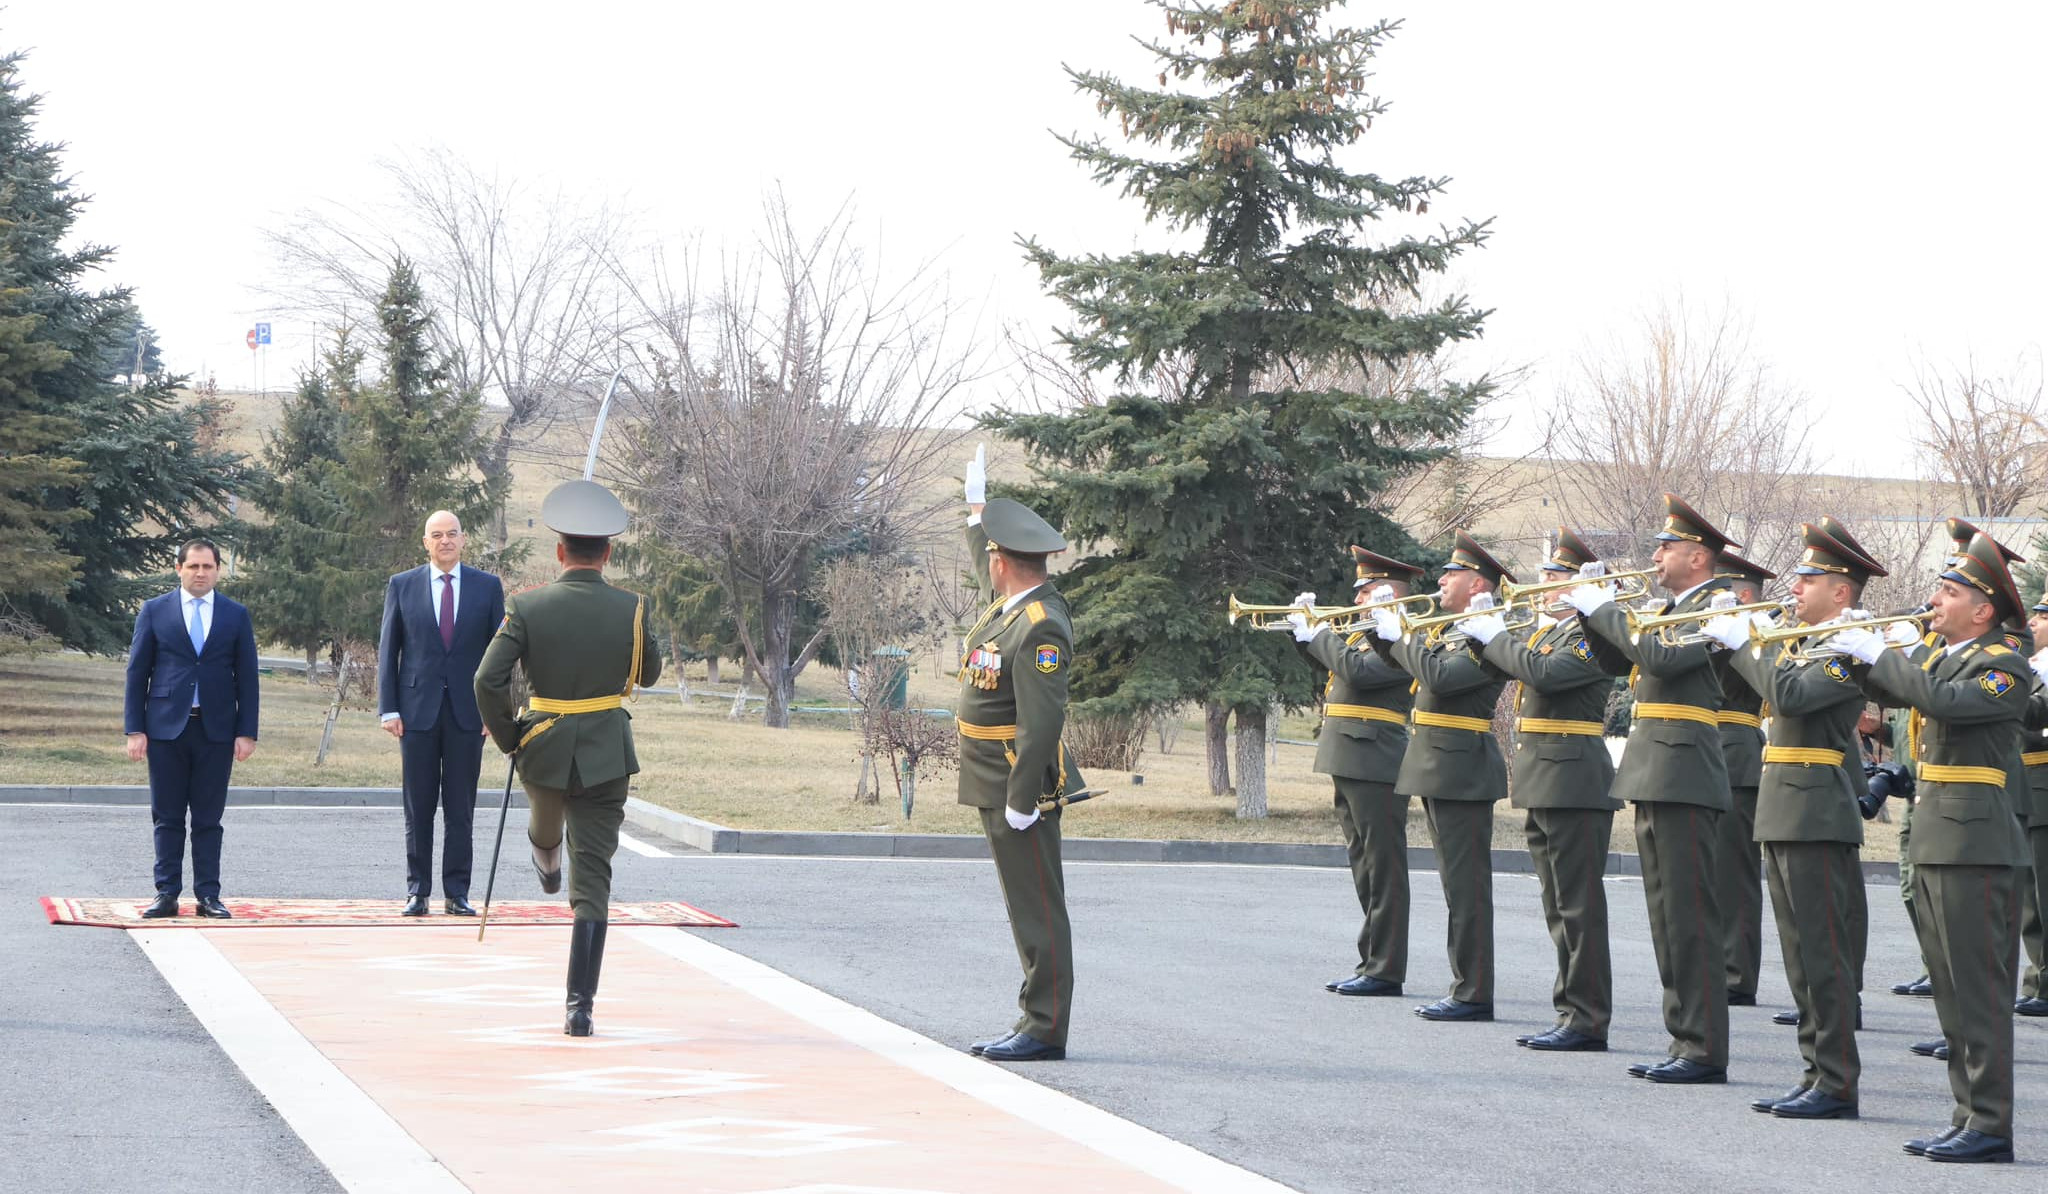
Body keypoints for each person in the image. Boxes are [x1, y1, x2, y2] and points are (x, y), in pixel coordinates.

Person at [1835, 533, 2029, 1163]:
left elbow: (1943, 702)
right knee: (1949, 984)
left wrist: (1878, 654)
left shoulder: (2003, 664)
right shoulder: (1946, 655)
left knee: (1979, 987)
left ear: (1983, 609)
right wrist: (1861, 652)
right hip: (1942, 831)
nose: (1934, 601)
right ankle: (1966, 1113)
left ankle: (1991, 1124)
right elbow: (1901, 692)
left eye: (1949, 592)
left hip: (1976, 838)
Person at [1707, 522, 1882, 1121]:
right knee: (1800, 957)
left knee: (1823, 953)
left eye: (1809, 580)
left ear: (1841, 591)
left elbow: (1791, 699)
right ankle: (1815, 1072)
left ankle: (1835, 1081)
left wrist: (1747, 643)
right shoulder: (1805, 643)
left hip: (1816, 808)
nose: (1797, 589)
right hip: (1785, 805)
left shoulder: (1849, 646)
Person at [474, 480, 659, 1038]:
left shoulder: (527, 606)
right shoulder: (631, 608)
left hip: (544, 743)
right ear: (607, 554)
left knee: (545, 821)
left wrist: (510, 738)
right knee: (595, 879)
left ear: (560, 552)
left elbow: (487, 679)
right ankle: (580, 1007)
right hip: (607, 749)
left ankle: (546, 854)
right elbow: (646, 676)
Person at [1567, 493, 1735, 1084]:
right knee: (1667, 916)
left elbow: (1661, 659)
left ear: (1697, 555)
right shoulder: (1674, 605)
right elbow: (1622, 659)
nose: (1656, 555)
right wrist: (1593, 609)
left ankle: (1703, 1047)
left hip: (1684, 770)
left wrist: (1608, 608)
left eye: (1667, 546)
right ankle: (1684, 1039)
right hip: (1655, 767)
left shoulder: (1718, 606)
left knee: (1689, 916)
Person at [1461, 527, 1619, 1052]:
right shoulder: (1548, 632)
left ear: (1578, 587)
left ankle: (1588, 1017)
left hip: (1574, 776)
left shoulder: (1587, 634)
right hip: (1545, 774)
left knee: (1578, 905)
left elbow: (1544, 676)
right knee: (1557, 905)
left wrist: (1495, 635)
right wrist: (1479, 632)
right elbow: (1508, 666)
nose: (1542, 585)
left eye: (1554, 577)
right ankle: (1569, 1010)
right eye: (1545, 576)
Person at [958, 444, 1087, 1063]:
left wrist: (1021, 798)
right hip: (993, 778)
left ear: (1002, 563)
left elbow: (1042, 722)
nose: (985, 563)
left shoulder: (1039, 623)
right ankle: (1035, 1015)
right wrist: (976, 514)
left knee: (1038, 908)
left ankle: (1045, 1025)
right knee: (1023, 907)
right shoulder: (1008, 608)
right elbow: (988, 559)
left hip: (1017, 783)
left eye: (988, 554)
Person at [1366, 530, 1512, 1023]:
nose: (1443, 579)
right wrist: (1380, 629)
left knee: (1467, 888)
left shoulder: (1484, 632)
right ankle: (1465, 986)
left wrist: (1402, 635)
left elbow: (1441, 679)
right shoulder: (1454, 629)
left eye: (1453, 573)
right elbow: (1409, 668)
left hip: (1462, 766)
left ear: (1477, 585)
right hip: (1436, 764)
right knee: (1455, 885)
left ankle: (1472, 992)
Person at [1286, 546, 1424, 997]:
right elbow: (1337, 670)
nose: (1359, 599)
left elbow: (1359, 673)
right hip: (1350, 755)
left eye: (1365, 592)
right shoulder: (1368, 632)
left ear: (1388, 592)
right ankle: (1371, 960)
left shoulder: (1400, 635)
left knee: (1382, 867)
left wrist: (1320, 633)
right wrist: (1303, 636)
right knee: (1363, 864)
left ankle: (1385, 969)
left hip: (1376, 756)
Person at [122, 539, 259, 919]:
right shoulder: (155, 611)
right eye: (194, 566)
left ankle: (208, 895)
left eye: (208, 567)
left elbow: (247, 677)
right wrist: (135, 729)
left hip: (216, 730)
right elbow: (137, 672)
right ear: (179, 568)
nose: (201, 574)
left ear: (218, 570)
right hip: (165, 730)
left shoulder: (235, 614)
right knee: (166, 816)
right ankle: (166, 892)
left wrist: (246, 731)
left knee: (208, 818)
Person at [378, 510, 505, 916]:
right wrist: (388, 709)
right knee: (418, 805)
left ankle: (457, 892)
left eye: (452, 534)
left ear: (463, 540)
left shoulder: (487, 587)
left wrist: (495, 711)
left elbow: (500, 655)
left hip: (469, 714)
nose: (445, 541)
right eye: (437, 535)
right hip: (415, 714)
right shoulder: (403, 585)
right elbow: (388, 650)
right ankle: (418, 891)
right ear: (425, 542)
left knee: (460, 806)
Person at [1711, 550, 1773, 1010]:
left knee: (1734, 876)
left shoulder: (1760, 634)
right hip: (1707, 752)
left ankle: (1737, 974)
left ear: (1745, 596)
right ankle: (1716, 965)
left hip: (1735, 754)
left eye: (1724, 591)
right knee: (1709, 873)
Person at [2017, 598, 2048, 1019]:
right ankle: (2037, 980)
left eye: (2043, 618)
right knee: (2029, 896)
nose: (2034, 623)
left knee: (2045, 891)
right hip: (2026, 784)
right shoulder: (2033, 666)